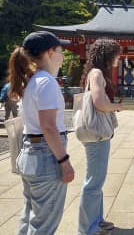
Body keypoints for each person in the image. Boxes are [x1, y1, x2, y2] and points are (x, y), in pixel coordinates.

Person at [8, 31, 75, 234]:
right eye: (60, 50)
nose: (63, 56)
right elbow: (48, 126)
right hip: (46, 157)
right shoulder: (46, 82)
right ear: (50, 52)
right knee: (43, 225)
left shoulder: (32, 81)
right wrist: (65, 162)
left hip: (31, 154)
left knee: (29, 217)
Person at [78, 38, 123, 235]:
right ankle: (88, 228)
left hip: (98, 135)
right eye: (116, 53)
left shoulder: (94, 72)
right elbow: (99, 103)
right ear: (108, 55)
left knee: (97, 181)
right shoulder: (97, 73)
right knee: (93, 183)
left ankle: (97, 220)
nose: (119, 57)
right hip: (97, 136)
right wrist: (116, 106)